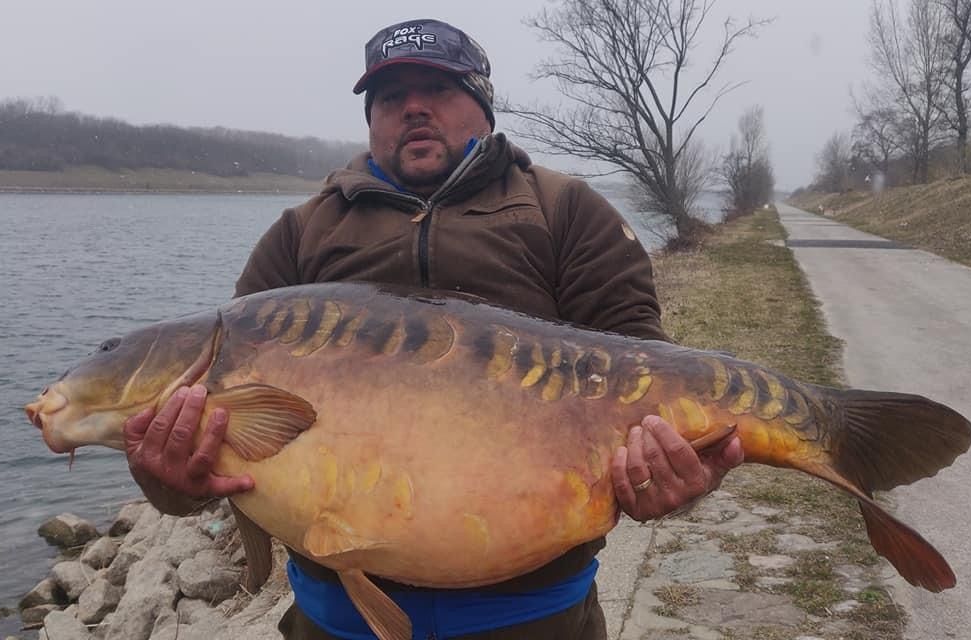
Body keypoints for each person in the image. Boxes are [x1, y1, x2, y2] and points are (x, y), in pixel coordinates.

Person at [122, 18, 745, 640]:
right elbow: (216, 447)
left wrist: (670, 474)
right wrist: (168, 478)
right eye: (391, 97)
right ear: (371, 121)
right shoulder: (301, 235)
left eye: (438, 88)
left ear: (482, 103)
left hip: (538, 620)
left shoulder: (565, 211)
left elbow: (646, 376)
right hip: (334, 624)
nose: (413, 108)